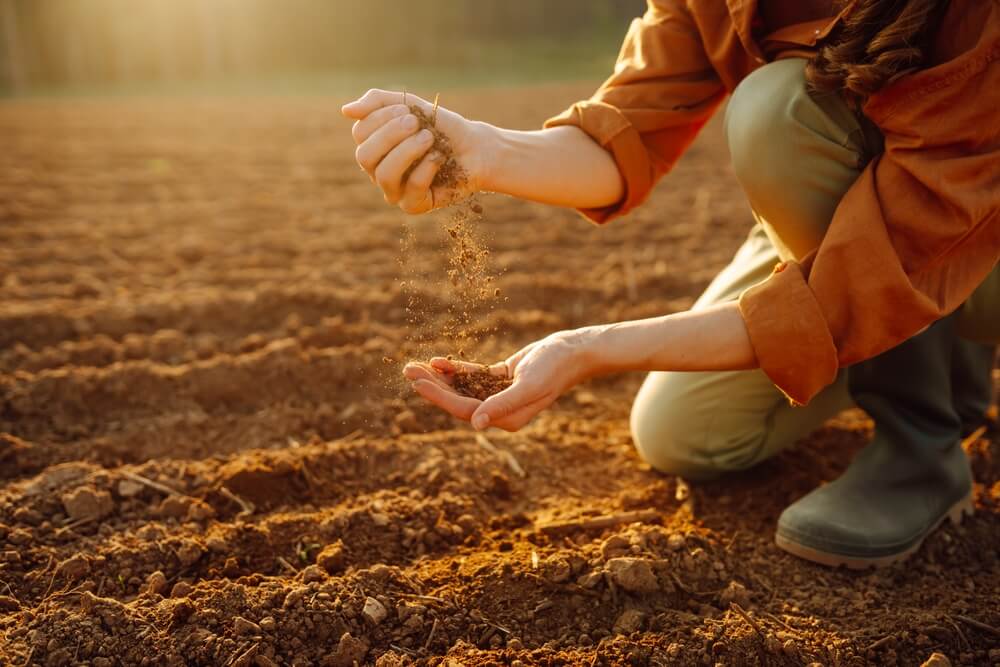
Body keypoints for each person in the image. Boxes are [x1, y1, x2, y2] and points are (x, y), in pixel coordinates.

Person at [341, 0, 999, 568]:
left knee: (775, 115)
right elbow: (623, 133)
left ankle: (920, 446)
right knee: (685, 430)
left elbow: (912, 236)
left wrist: (588, 349)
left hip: (974, 220)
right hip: (868, 218)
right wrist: (479, 150)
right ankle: (912, 344)